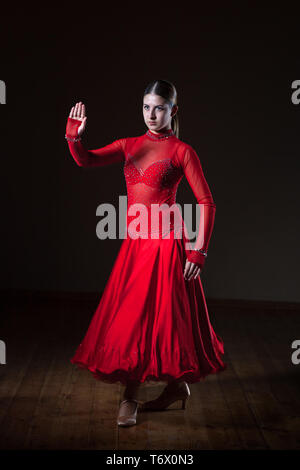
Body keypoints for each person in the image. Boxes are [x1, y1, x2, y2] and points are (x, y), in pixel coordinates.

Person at [65, 79, 226, 427]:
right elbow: (86, 161)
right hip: (137, 243)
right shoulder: (129, 144)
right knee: (135, 319)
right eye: (146, 107)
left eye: (159, 108)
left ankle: (131, 396)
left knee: (164, 321)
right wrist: (74, 138)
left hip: (168, 244)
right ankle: (172, 388)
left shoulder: (183, 151)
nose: (152, 115)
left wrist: (199, 251)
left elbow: (207, 203)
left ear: (173, 111)